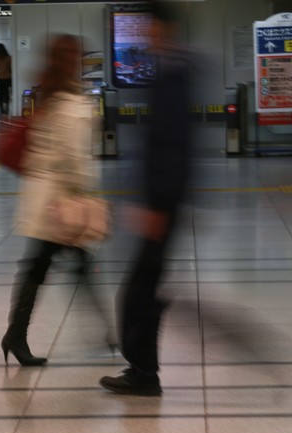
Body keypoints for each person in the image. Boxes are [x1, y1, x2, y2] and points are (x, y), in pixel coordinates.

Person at [100, 1, 193, 396]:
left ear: (165, 31)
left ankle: (144, 373)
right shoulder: (167, 74)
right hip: (159, 204)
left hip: (162, 206)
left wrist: (158, 206)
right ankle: (143, 370)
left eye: (151, 29)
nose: (146, 36)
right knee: (141, 291)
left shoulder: (175, 77)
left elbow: (174, 148)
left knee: (138, 293)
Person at [1, 34, 102, 367]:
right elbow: (74, 159)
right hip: (61, 203)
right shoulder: (72, 102)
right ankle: (17, 335)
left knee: (50, 265)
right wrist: (83, 195)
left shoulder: (50, 94)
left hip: (44, 198)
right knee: (47, 265)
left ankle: (18, 335)